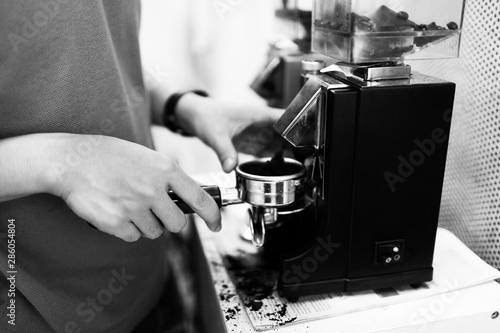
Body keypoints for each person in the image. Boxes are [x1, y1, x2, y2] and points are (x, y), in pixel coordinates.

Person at [0, 1, 282, 332]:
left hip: (148, 289)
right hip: (31, 315)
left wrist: (181, 107)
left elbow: (100, 60)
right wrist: (63, 163)